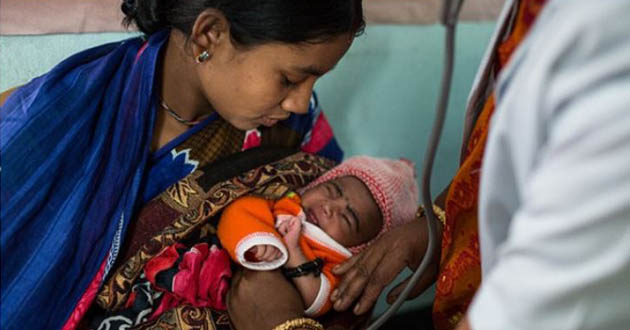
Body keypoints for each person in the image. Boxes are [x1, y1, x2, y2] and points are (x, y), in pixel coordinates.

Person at [229, 0, 630, 329]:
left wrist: (279, 323)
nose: (296, 103)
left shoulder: (608, 58)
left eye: (350, 216)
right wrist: (438, 220)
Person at [0, 0, 366, 329]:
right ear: (209, 36)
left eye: (314, 80)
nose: (301, 102)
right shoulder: (66, 116)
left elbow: (341, 244)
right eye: (289, 79)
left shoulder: (292, 128)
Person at [218, 156, 419, 317]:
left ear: (362, 246)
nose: (329, 207)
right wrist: (258, 241)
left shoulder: (338, 262)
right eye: (331, 190)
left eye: (348, 218)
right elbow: (239, 211)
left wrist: (295, 253)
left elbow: (318, 302)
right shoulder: (285, 205)